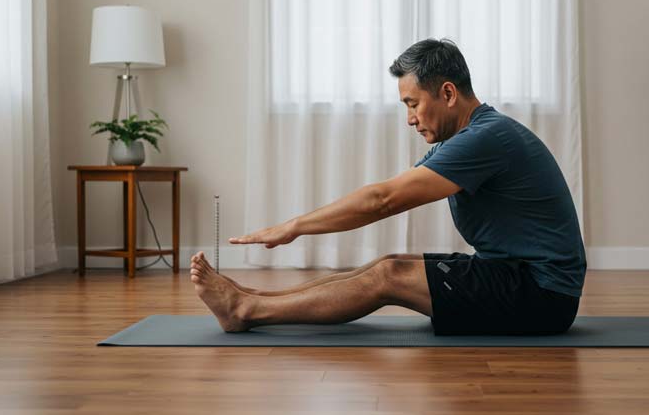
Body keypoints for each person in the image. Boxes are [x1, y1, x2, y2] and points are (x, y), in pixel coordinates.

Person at [189, 38, 587, 335]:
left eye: (413, 103)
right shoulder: (474, 135)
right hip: (513, 274)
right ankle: (255, 297)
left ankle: (245, 311)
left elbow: (382, 200)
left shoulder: (487, 138)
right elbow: (387, 191)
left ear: (447, 93)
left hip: (541, 295)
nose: (410, 118)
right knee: (390, 262)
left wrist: (293, 226)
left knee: (390, 276)